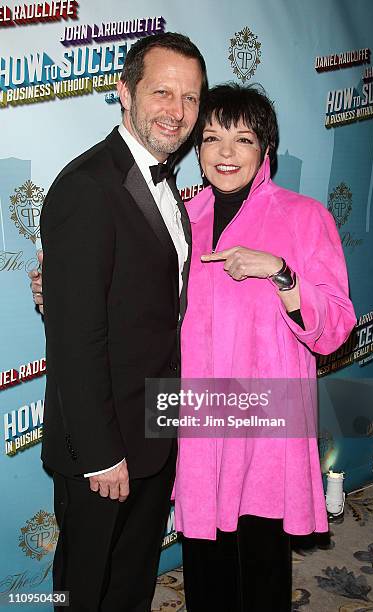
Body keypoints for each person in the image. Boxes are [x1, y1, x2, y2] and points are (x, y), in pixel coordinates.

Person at [33, 32, 207, 611]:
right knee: (83, 592)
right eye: (162, 92)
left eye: (190, 98)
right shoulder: (87, 186)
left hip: (155, 427)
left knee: (131, 586)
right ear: (124, 93)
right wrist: (104, 453)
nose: (177, 112)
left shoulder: (165, 181)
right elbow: (77, 340)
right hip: (102, 447)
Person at [171, 83, 357, 612]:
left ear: (265, 149)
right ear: (196, 148)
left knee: (260, 564)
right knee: (204, 566)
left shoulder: (303, 217)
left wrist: (280, 272)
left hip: (265, 419)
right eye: (211, 138)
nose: (225, 153)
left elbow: (337, 325)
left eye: (243, 139)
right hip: (201, 417)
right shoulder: (183, 219)